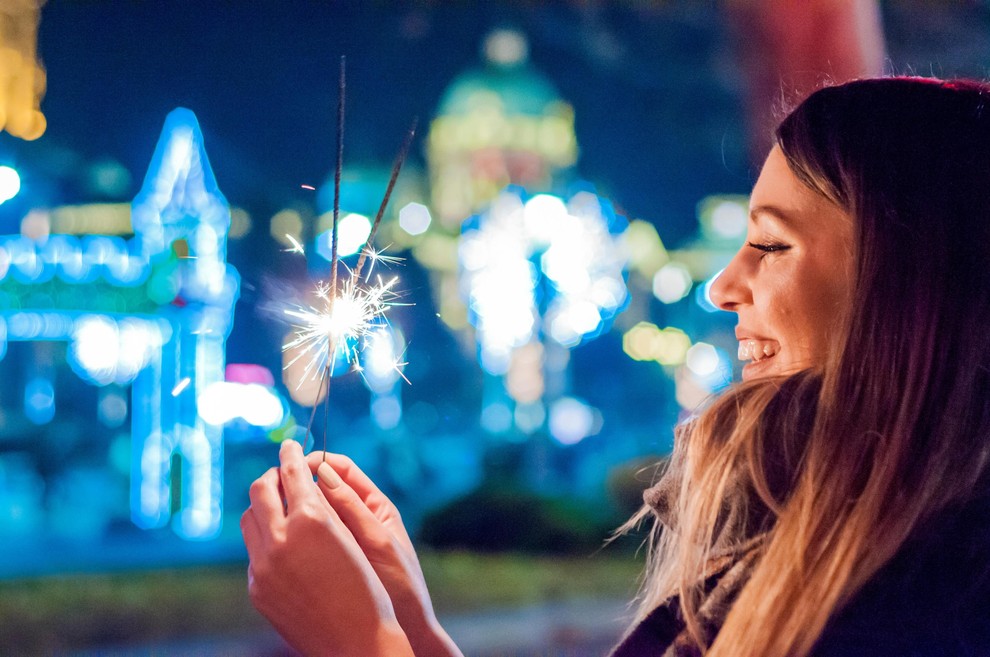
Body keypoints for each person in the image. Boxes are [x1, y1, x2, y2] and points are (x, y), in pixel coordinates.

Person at [240, 77, 990, 656]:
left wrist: (363, 643)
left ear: (910, 287)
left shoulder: (910, 597)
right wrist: (411, 622)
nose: (721, 287)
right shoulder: (833, 549)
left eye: (768, 245)